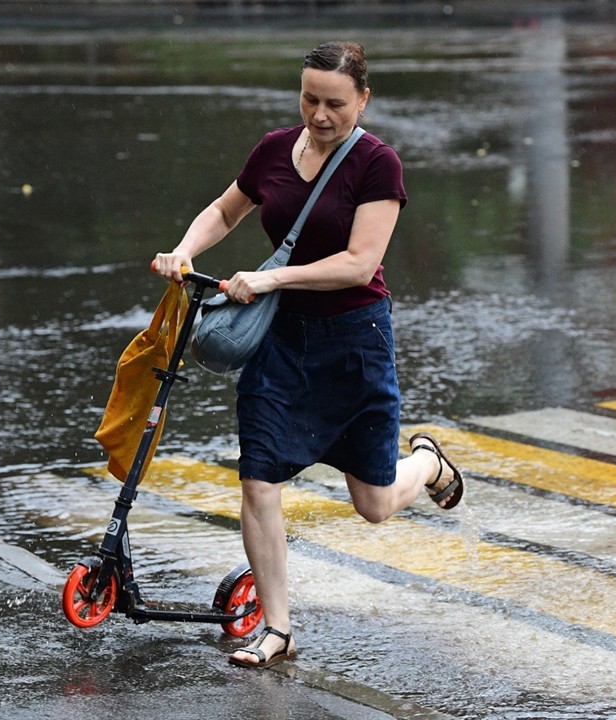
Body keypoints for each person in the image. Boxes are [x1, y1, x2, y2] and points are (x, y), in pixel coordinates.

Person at [152, 41, 464, 669]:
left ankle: (425, 464)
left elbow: (358, 265)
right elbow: (225, 210)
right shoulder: (273, 149)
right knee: (258, 478)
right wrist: (184, 252)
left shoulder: (378, 165)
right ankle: (278, 628)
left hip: (354, 342)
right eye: (310, 99)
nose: (320, 115)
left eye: (335, 103)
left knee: (373, 505)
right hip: (282, 343)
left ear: (363, 100)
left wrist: (268, 279)